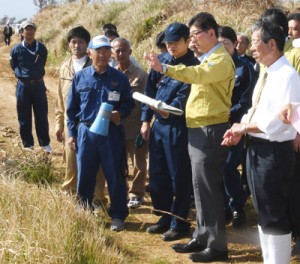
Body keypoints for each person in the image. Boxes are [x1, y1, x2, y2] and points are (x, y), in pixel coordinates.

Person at [146, 13, 234, 262]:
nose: (193, 39)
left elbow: (197, 76)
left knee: (209, 190)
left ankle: (217, 246)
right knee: (199, 188)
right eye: (192, 35)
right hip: (198, 129)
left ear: (211, 33)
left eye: (196, 34)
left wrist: (164, 68)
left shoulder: (219, 60)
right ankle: (202, 235)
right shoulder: (206, 58)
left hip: (209, 129)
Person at [222, 20, 300, 264]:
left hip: (274, 152)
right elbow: (256, 110)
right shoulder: (267, 72)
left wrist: (245, 127)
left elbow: (278, 123)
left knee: (274, 214)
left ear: (272, 44)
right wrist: (240, 126)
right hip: (256, 149)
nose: (251, 48)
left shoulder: (288, 75)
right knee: (263, 213)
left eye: (255, 42)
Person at [66, 35, 134, 231]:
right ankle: (83, 213)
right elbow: (71, 109)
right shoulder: (81, 77)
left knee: (115, 175)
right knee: (85, 175)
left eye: (106, 51)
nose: (103, 55)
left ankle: (118, 215)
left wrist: (119, 113)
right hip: (86, 132)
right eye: (99, 51)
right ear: (90, 53)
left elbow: (129, 103)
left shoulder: (119, 78)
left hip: (111, 133)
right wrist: (72, 133)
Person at [141, 22, 199, 242]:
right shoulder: (161, 61)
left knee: (179, 176)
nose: (171, 47)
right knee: (157, 175)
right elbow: (150, 90)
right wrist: (146, 120)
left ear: (187, 41)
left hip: (179, 127)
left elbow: (185, 96)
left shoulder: (194, 66)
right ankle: (163, 217)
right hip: (158, 126)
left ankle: (179, 222)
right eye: (168, 43)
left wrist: (169, 110)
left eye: (175, 42)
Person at [260, 8, 300, 256]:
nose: (293, 34)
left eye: (296, 29)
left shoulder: (287, 67)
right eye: (291, 29)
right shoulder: (275, 62)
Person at [55, 26, 107, 207]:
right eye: (73, 42)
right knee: (71, 162)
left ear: (88, 45)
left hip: (92, 123)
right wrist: (59, 124)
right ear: (69, 45)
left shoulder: (95, 65)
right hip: (71, 123)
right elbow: (60, 100)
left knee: (96, 164)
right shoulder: (64, 68)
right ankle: (71, 197)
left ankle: (98, 199)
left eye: (81, 42)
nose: (77, 45)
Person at [218, 26, 256, 228]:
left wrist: (229, 113)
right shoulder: (212, 65)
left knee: (229, 166)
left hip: (236, 125)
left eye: (227, 43)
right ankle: (223, 208)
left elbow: (248, 100)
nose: (223, 47)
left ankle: (237, 207)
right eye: (220, 43)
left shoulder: (245, 68)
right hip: (214, 125)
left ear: (234, 45)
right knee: (216, 168)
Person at [111, 37, 148, 209]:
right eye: (117, 50)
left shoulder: (141, 75)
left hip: (136, 127)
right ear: (112, 53)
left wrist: (145, 123)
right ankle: (122, 192)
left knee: (139, 164)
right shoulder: (111, 74)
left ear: (130, 52)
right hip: (116, 128)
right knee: (119, 163)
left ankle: (137, 193)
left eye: (123, 50)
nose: (120, 53)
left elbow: (148, 101)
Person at [10, 21, 52, 153]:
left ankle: (45, 144)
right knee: (24, 117)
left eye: (32, 29)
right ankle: (28, 145)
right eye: (27, 29)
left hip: (39, 86)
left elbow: (43, 63)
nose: (29, 32)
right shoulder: (16, 49)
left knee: (41, 116)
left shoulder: (41, 48)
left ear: (35, 31)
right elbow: (13, 65)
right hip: (23, 87)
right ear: (22, 32)